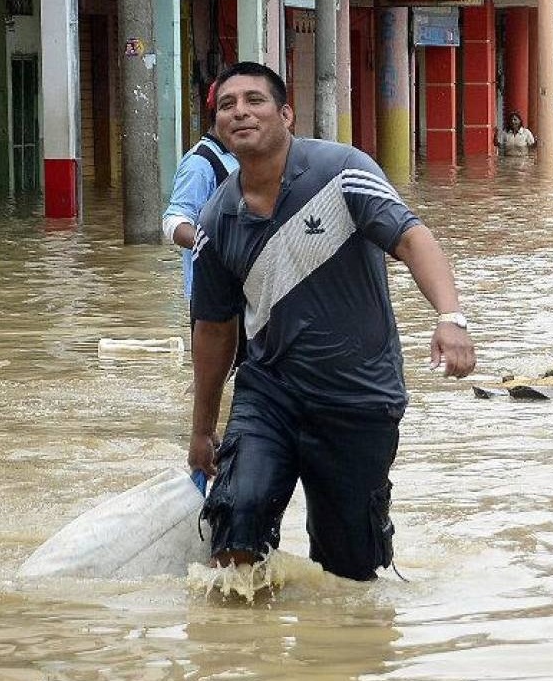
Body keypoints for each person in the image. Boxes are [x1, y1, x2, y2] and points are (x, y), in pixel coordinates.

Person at [187, 62, 476, 581]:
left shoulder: (343, 172)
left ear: (286, 114)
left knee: (350, 571)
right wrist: (203, 430)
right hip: (268, 395)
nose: (240, 112)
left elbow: (413, 238)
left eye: (255, 100)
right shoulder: (214, 220)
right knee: (236, 525)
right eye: (227, 105)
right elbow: (213, 330)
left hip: (357, 397)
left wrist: (450, 318)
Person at [162, 81, 240, 301]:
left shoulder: (242, 156)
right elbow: (174, 221)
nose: (241, 114)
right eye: (228, 106)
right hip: (213, 295)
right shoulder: (200, 162)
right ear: (214, 113)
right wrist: (223, 246)